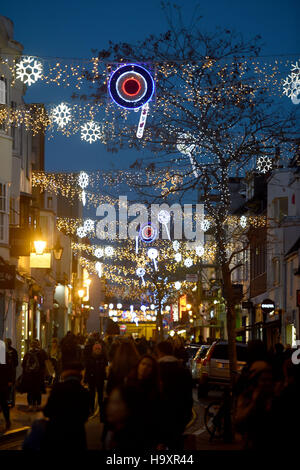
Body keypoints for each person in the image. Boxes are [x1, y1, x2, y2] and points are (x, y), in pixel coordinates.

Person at [23, 361, 90, 451]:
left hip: (57, 434)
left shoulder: (58, 388)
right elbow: (85, 415)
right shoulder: (84, 392)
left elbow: (48, 411)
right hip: (77, 436)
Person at [156, 341, 193, 449]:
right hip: (179, 416)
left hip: (160, 416)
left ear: (159, 352)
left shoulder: (156, 369)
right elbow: (188, 397)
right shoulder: (184, 371)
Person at [22, 339, 47, 411]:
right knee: (38, 390)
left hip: (29, 376)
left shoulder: (27, 353)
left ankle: (30, 404)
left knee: (30, 391)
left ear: (30, 345)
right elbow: (44, 363)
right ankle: (37, 404)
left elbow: (23, 364)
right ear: (38, 345)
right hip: (38, 376)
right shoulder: (41, 353)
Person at [84, 342, 108, 419]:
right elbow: (87, 369)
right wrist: (86, 379)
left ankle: (101, 411)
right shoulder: (90, 358)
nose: (97, 350)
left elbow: (106, 368)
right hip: (92, 378)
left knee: (100, 395)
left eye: (99, 349)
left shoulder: (103, 358)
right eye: (96, 349)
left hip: (100, 378)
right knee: (92, 394)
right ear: (93, 350)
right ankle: (91, 409)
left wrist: (105, 376)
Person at [0, 346, 14, 431]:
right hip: (4, 383)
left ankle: (7, 421)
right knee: (4, 403)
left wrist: (10, 380)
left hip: (3, 384)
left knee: (4, 403)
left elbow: (10, 369)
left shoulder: (6, 356)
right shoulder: (6, 355)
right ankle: (7, 421)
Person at [5, 338, 18, 407]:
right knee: (11, 388)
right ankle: (11, 401)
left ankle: (7, 400)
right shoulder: (14, 351)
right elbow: (16, 363)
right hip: (11, 373)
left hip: (6, 374)